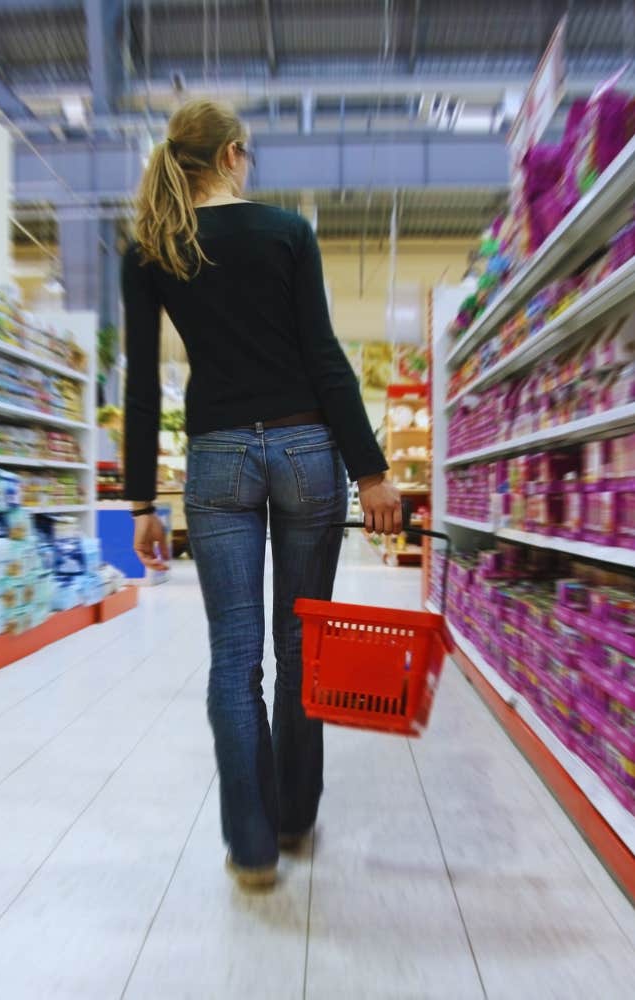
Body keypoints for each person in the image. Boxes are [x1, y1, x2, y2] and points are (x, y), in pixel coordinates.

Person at [121, 100, 402, 889]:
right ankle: (294, 814)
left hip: (216, 462)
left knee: (234, 658)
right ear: (235, 154)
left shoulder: (151, 247)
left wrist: (140, 501)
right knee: (301, 645)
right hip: (310, 451)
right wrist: (371, 470)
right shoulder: (286, 233)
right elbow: (323, 354)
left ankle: (251, 846)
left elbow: (142, 385)